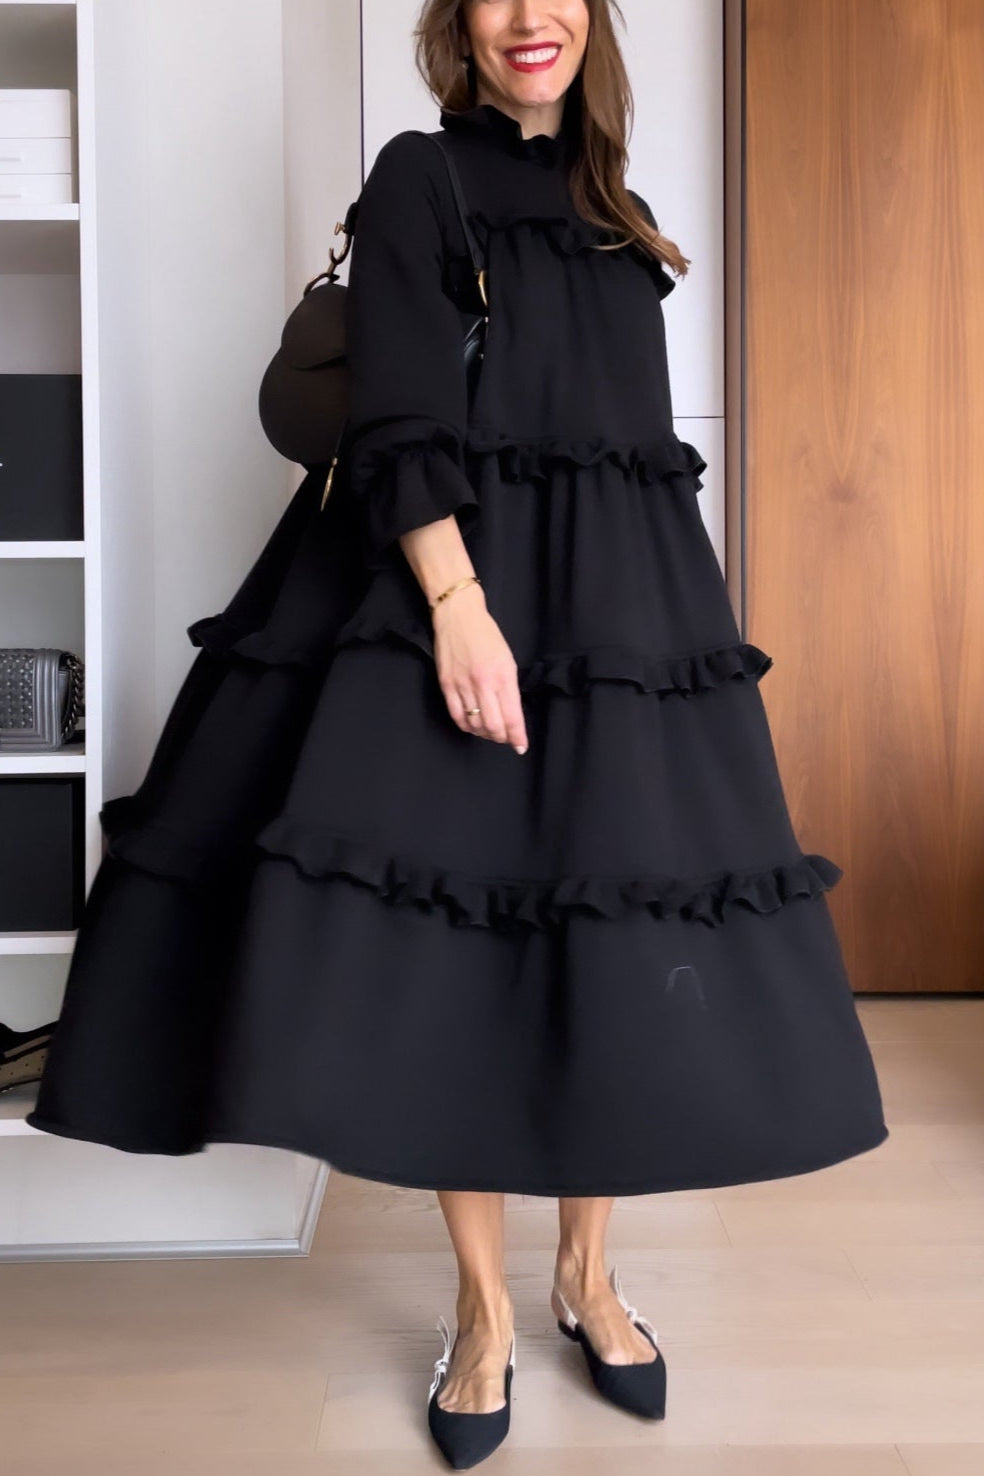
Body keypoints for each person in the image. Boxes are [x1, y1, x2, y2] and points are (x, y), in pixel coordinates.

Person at [26, 0, 889, 1466]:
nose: (527, 16)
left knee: (611, 939)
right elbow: (404, 417)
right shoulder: (421, 174)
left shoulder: (620, 204)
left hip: (620, 639)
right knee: (460, 961)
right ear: (459, 24)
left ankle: (589, 1278)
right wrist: (458, 609)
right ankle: (485, 1310)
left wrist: (656, 638)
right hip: (461, 607)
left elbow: (625, 448)